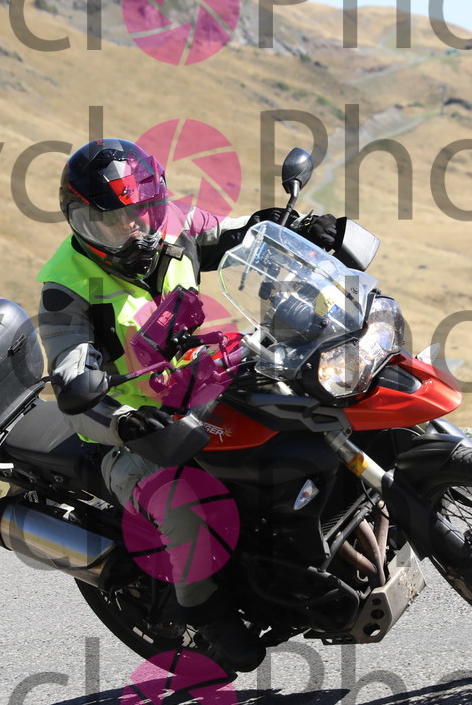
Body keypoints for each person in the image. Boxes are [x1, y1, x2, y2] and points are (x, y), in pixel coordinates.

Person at [37, 138, 337, 673]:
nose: (131, 230)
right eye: (108, 222)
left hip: (203, 383)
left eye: (141, 212)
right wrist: (126, 423)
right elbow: (72, 385)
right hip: (129, 431)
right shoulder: (66, 290)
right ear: (79, 224)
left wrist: (292, 228)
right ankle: (207, 616)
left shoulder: (172, 225)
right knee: (187, 506)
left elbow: (236, 234)